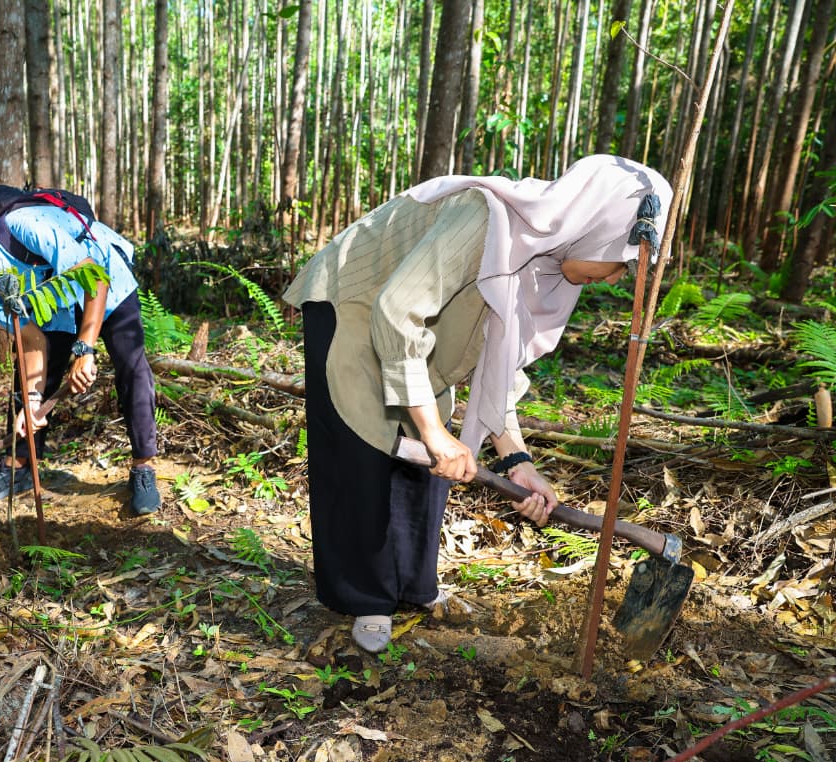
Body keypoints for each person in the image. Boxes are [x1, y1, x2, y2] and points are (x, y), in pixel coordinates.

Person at [283, 154, 673, 653]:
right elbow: (396, 311)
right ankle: (366, 597)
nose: (617, 278)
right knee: (365, 449)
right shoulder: (484, 214)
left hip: (422, 330)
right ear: (597, 223)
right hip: (357, 302)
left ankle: (413, 587)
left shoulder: (551, 262)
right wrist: (432, 433)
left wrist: (517, 459)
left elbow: (498, 364)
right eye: (619, 261)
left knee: (430, 455)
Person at [0, 186, 162, 516]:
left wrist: (85, 350)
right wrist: (32, 401)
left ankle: (143, 466)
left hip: (107, 280)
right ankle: (18, 468)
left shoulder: (27, 227)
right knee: (26, 381)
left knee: (130, 364)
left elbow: (95, 280)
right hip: (58, 305)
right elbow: (32, 341)